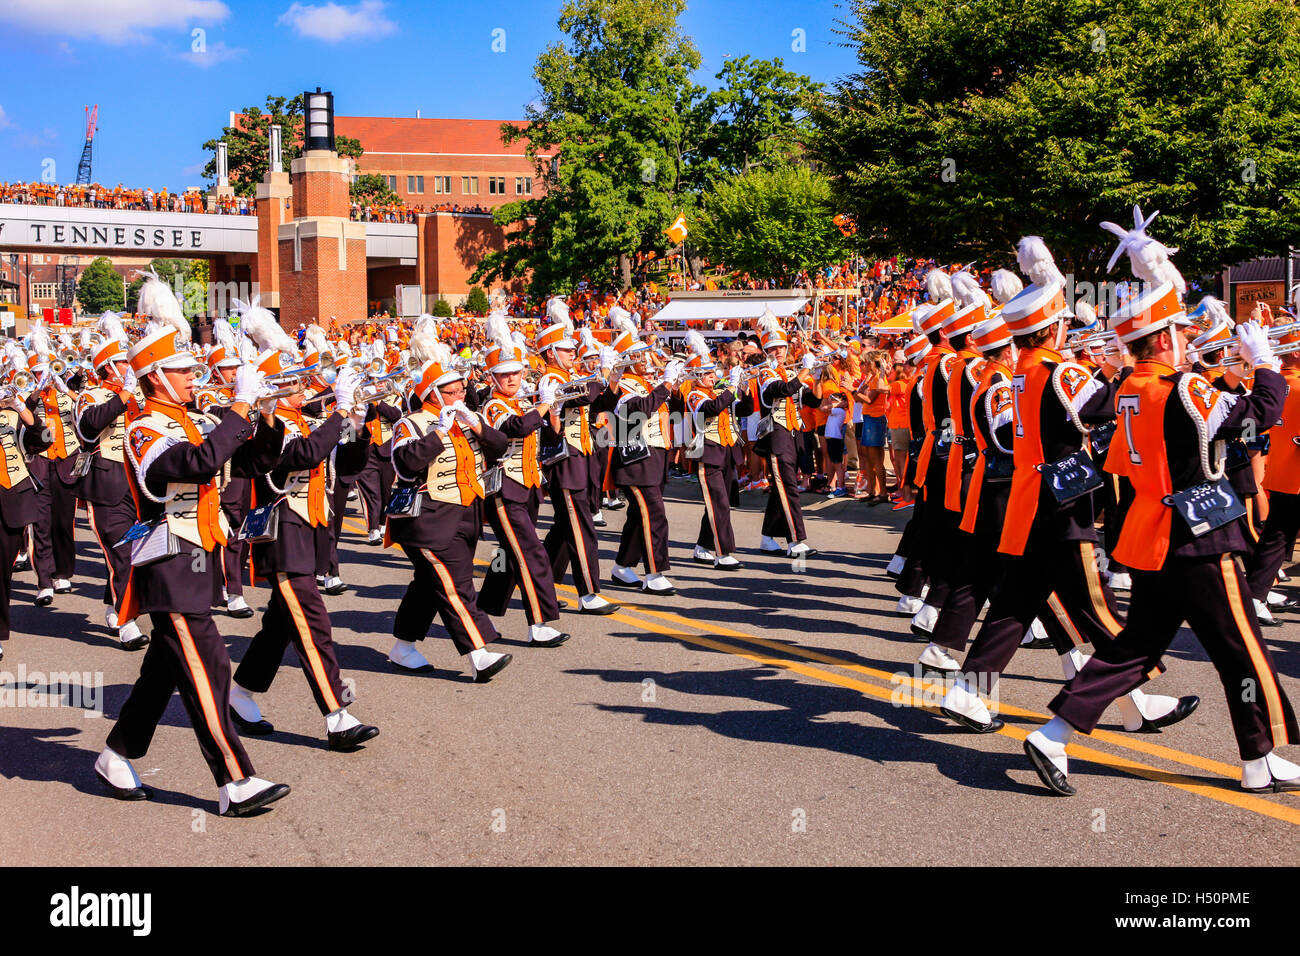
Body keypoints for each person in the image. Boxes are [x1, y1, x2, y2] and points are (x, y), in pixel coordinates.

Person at [1026, 278, 1299, 796]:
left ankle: (1053, 734)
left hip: (1149, 532)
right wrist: (1265, 365)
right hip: (1198, 537)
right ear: (1168, 338)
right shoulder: (1183, 387)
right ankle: (1259, 760)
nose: (1186, 339)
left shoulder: (1130, 386)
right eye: (1179, 330)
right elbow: (1257, 417)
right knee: (1241, 648)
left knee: (1136, 645)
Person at [938, 238, 1191, 736]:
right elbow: (1103, 410)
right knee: (1098, 607)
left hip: (1029, 503)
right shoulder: (1062, 371)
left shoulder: (1019, 374)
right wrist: (1127, 374)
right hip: (1062, 507)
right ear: (1052, 326)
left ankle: (969, 692)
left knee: (1015, 606)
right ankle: (1129, 698)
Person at [95, 282, 291, 817]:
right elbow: (190, 466)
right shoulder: (144, 427)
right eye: (181, 369)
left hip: (198, 556)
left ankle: (116, 754)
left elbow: (248, 464)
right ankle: (235, 779)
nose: (193, 374)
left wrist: (266, 416)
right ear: (155, 376)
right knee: (210, 666)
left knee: (163, 670)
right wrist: (240, 406)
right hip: (169, 565)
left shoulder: (193, 420)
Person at [227, 337, 379, 752]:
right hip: (282, 535)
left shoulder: (305, 419)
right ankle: (337, 715)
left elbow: (342, 465)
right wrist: (340, 411)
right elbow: (307, 455)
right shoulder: (267, 425)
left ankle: (239, 692)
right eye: (294, 379)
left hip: (308, 531)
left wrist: (358, 429)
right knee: (313, 625)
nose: (307, 383)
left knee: (280, 625)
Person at [386, 330, 513, 681]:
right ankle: (479, 652)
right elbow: (406, 464)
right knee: (456, 584)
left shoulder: (466, 416)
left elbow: (501, 446)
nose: (459, 396)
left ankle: (402, 647)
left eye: (461, 390)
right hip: (428, 519)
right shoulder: (409, 423)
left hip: (467, 512)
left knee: (430, 584)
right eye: (451, 392)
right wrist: (438, 433)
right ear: (431, 393)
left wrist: (480, 427)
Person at [476, 309, 570, 646]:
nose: (513, 378)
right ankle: (540, 624)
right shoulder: (495, 406)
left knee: (508, 553)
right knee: (532, 554)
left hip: (529, 486)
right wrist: (543, 406)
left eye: (516, 372)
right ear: (492, 378)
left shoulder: (521, 402)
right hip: (505, 490)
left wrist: (555, 411)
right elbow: (515, 428)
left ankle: (483, 610)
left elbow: (549, 436)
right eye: (504, 374)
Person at [537, 312, 620, 614]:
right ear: (550, 353)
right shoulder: (551, 378)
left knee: (563, 528)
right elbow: (584, 397)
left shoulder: (570, 377)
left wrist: (612, 377)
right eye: (567, 350)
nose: (574, 354)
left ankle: (538, 585)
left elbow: (602, 404)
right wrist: (602, 370)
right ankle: (588, 593)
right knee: (582, 528)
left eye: (573, 349)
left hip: (580, 457)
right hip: (565, 461)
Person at [74, 319, 148, 649]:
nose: (127, 367)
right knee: (121, 550)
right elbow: (89, 428)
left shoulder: (136, 395)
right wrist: (125, 394)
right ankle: (126, 619)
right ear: (106, 366)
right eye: (121, 362)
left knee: (135, 552)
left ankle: (112, 604)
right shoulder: (90, 395)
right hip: (107, 484)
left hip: (139, 484)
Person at [607, 313, 684, 594]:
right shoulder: (624, 385)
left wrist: (673, 388)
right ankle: (654, 572)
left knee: (640, 517)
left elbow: (673, 413)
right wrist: (664, 385)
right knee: (654, 514)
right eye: (640, 356)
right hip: (635, 461)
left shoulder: (646, 382)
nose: (647, 360)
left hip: (655, 456)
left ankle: (622, 567)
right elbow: (640, 409)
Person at [0, 352, 51, 662]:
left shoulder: (13, 415)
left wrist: (20, 407)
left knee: (2, 573)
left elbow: (42, 439)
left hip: (11, 496)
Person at [755, 310, 818, 557]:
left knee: (782, 487)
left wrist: (821, 374)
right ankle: (795, 541)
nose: (779, 351)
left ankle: (767, 538)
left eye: (781, 347)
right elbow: (783, 390)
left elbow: (812, 400)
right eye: (773, 349)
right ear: (765, 352)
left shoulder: (791, 372)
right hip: (777, 436)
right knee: (788, 487)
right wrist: (805, 370)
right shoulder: (765, 373)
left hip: (793, 433)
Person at [684, 333, 748, 569]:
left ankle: (703, 546)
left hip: (727, 451)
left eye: (713, 373)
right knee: (718, 502)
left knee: (720, 501)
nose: (713, 377)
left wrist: (745, 388)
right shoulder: (694, 394)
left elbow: (745, 409)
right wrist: (731, 385)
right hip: (708, 453)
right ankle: (723, 553)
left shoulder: (720, 390)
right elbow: (712, 408)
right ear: (697, 377)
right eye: (708, 374)